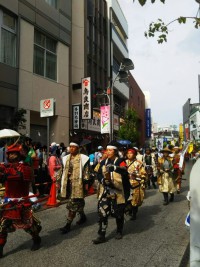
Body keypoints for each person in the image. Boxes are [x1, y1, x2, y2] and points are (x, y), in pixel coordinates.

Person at [0, 143, 42, 258]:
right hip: (8, 202)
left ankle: (36, 239)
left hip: (22, 201)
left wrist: (6, 176)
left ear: (19, 154)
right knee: (2, 226)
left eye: (14, 153)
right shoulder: (5, 167)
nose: (11, 156)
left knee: (28, 226)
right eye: (9, 154)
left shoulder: (26, 167)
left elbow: (21, 178)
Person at [92, 141, 129, 244]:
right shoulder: (103, 162)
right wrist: (103, 180)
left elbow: (125, 170)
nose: (107, 152)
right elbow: (99, 174)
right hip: (105, 191)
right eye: (107, 150)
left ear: (115, 151)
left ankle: (119, 230)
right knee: (102, 213)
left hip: (118, 191)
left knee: (118, 213)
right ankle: (102, 234)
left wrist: (115, 168)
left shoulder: (121, 161)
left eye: (110, 150)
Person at [59, 139, 90, 234]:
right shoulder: (65, 158)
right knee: (78, 201)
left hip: (78, 184)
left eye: (73, 147)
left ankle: (68, 225)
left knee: (72, 204)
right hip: (67, 183)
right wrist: (58, 179)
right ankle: (83, 216)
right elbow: (61, 170)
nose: (71, 148)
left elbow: (87, 172)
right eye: (70, 146)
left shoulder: (83, 158)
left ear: (78, 148)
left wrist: (86, 183)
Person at [125, 148, 146, 220]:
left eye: (131, 153)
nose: (129, 155)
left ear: (134, 154)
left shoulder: (138, 163)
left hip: (135, 184)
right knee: (127, 200)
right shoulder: (124, 162)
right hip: (126, 184)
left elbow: (143, 174)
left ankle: (134, 214)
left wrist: (136, 176)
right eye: (128, 153)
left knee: (135, 200)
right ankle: (129, 210)